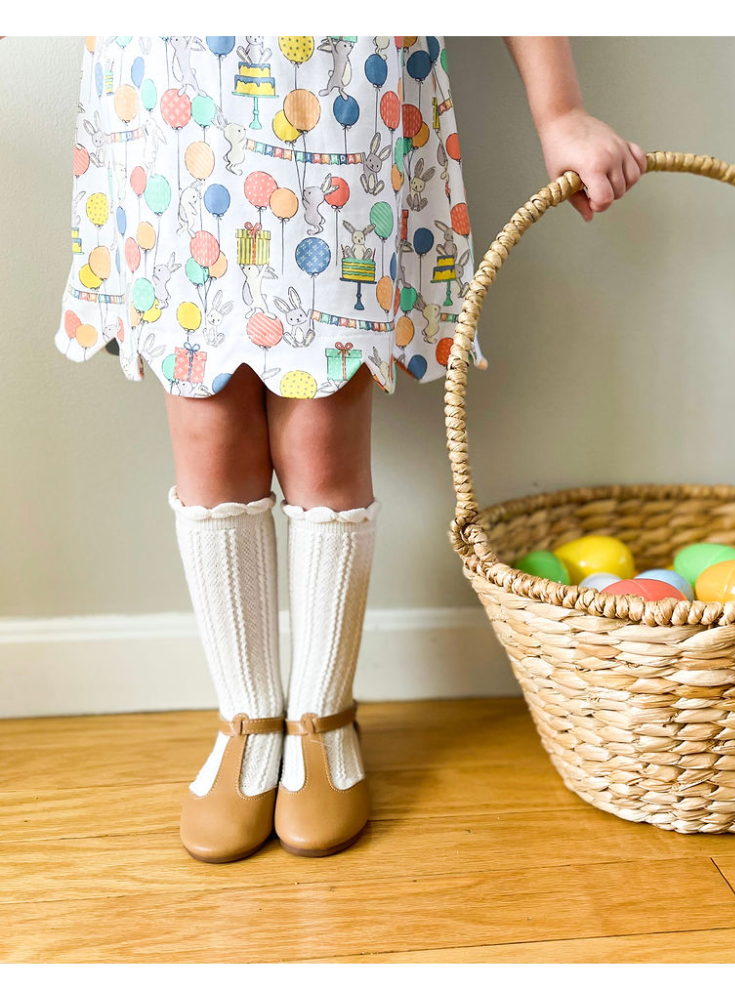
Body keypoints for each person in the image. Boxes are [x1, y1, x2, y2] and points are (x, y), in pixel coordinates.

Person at [55, 35, 646, 863]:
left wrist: (560, 109)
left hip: (341, 82)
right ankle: (248, 716)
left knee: (322, 425)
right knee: (206, 418)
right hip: (168, 83)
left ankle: (323, 715)